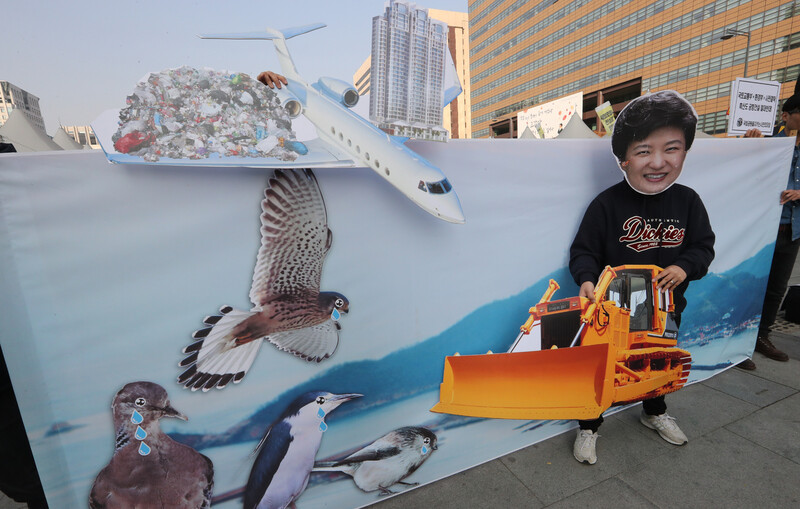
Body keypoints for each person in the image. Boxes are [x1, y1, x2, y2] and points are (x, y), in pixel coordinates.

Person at [569, 90, 715, 464]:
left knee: (659, 365)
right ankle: (588, 426)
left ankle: (654, 413)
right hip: (612, 313)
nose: (658, 162)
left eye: (672, 148)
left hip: (665, 312)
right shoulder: (606, 204)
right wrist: (586, 278)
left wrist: (685, 267)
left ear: (685, 152)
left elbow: (703, 246)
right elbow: (583, 251)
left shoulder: (688, 201)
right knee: (599, 372)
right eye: (644, 151)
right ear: (623, 160)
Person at [738, 95, 800, 370]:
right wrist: (749, 146)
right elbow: (740, 173)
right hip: (761, 228)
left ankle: (762, 336)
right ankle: (737, 341)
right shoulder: (766, 142)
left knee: (776, 288)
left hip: (792, 229)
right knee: (749, 283)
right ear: (785, 116)